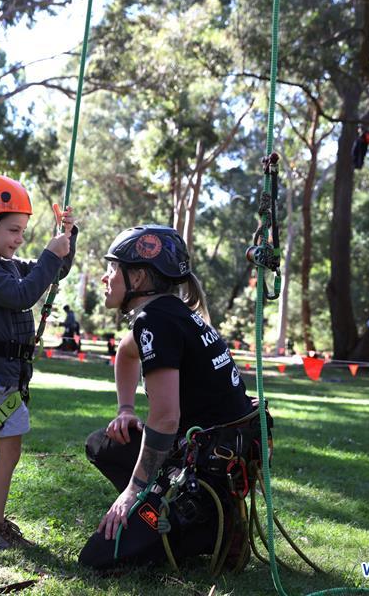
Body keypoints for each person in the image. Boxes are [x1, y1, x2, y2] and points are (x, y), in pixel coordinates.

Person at [79, 225, 267, 570]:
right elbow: (126, 352)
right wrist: (125, 409)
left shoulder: (156, 321)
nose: (106, 278)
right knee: (102, 444)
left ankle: (207, 529)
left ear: (137, 276)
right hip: (199, 456)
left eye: (112, 268)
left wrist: (134, 491)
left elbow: (165, 418)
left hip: (203, 474)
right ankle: (170, 510)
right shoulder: (167, 314)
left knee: (97, 560)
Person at [0, 173, 77, 549]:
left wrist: (66, 241)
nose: (19, 239)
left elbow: (54, 270)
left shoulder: (6, 262)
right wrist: (49, 254)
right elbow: (26, 294)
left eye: (23, 231)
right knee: (8, 453)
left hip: (11, 374)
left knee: (0, 451)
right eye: (13, 230)